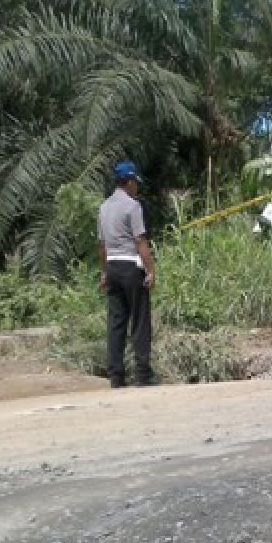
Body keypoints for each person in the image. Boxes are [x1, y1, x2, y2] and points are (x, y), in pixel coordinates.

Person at [98, 160, 157, 388]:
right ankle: (142, 374)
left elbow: (101, 245)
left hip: (112, 266)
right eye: (136, 183)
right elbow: (140, 240)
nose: (137, 188)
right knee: (140, 320)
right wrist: (150, 270)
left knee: (116, 323)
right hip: (131, 266)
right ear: (130, 182)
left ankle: (116, 376)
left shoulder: (104, 207)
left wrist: (104, 272)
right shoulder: (133, 207)